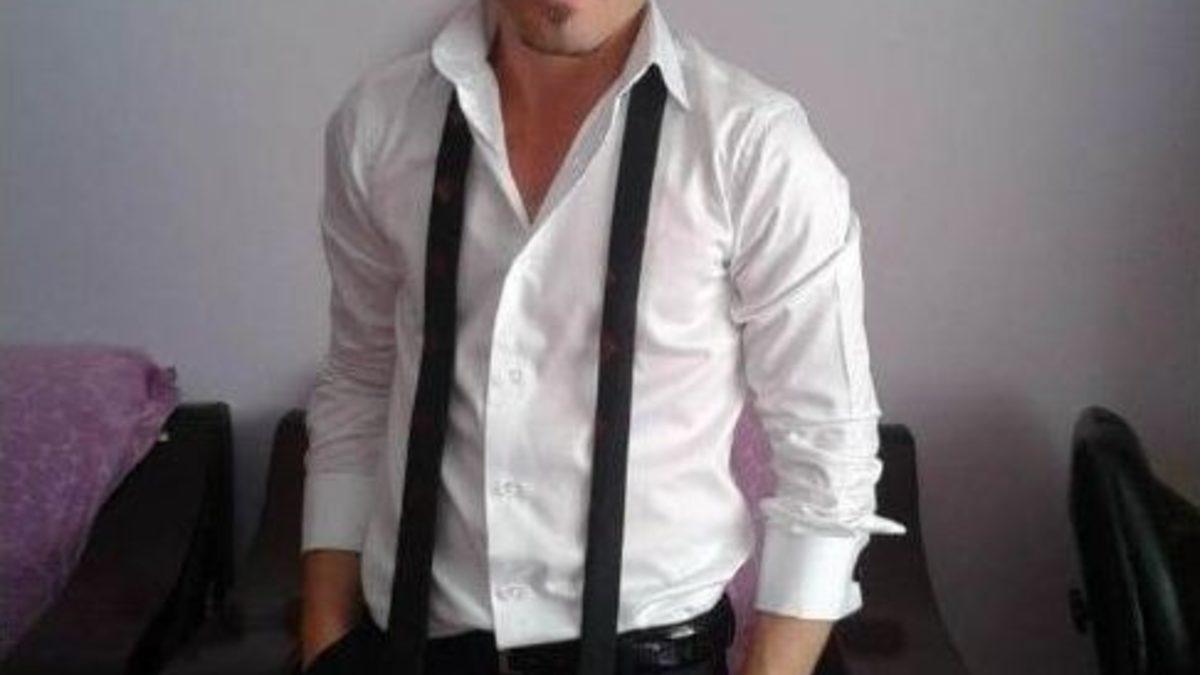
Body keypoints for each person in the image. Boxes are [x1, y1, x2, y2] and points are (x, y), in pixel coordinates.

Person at [298, 0, 906, 673]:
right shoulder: (378, 122)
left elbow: (828, 448)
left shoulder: (754, 145)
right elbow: (361, 380)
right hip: (409, 647)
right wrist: (324, 638)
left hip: (653, 653)